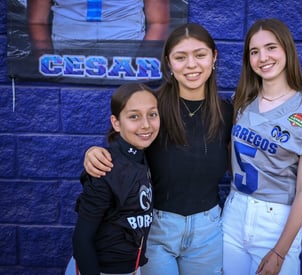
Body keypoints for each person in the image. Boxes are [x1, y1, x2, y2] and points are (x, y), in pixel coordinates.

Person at [83, 23, 233, 275]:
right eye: (180, 57)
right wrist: (93, 153)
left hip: (208, 229)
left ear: (214, 57)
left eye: (200, 54)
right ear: (169, 63)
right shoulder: (153, 108)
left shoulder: (226, 112)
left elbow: (245, 158)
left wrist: (292, 179)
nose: (191, 65)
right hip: (157, 228)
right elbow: (122, 150)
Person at [221, 18, 302, 275]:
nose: (263, 57)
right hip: (234, 210)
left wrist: (279, 251)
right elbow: (231, 157)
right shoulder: (242, 102)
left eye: (271, 47)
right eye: (254, 51)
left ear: (286, 50)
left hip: (277, 220)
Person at [71, 83, 160, 274]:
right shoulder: (105, 168)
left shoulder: (145, 155)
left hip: (134, 268)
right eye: (134, 116)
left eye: (152, 114)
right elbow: (82, 239)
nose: (146, 124)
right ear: (116, 122)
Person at [27, 0, 170, 53]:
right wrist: (46, 63)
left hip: (126, 54)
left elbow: (159, 23)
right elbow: (36, 22)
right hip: (67, 56)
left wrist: (140, 63)